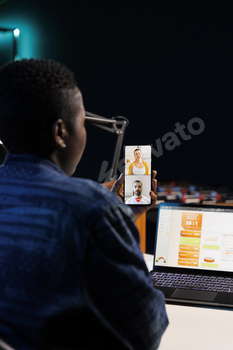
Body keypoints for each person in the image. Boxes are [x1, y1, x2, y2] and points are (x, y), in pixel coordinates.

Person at [0, 59, 168, 350]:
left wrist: (118, 219)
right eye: (82, 122)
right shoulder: (92, 207)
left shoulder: (97, 209)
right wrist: (108, 215)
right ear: (60, 132)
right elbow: (146, 330)